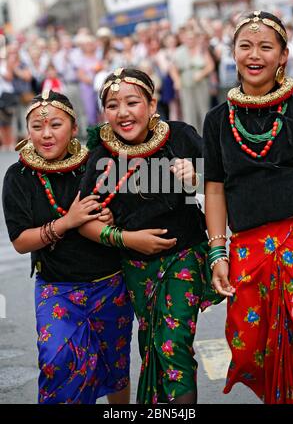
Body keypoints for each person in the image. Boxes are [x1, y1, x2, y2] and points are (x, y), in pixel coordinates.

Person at [78, 67, 223, 404]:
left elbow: (220, 184)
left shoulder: (181, 136)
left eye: (132, 102)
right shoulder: (102, 155)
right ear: (104, 114)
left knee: (173, 346)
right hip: (135, 267)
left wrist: (196, 176)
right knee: (152, 346)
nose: (123, 113)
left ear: (152, 103)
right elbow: (84, 220)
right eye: (113, 106)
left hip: (184, 256)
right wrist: (126, 239)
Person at [2, 90, 133, 404]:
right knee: (57, 361)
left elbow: (128, 214)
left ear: (74, 128)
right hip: (57, 288)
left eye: (56, 125)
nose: (46, 134)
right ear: (27, 130)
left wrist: (113, 215)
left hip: (110, 284)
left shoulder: (99, 165)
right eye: (37, 126)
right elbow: (20, 242)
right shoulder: (19, 175)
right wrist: (68, 221)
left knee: (114, 367)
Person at [203, 10, 293, 404]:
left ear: (283, 56)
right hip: (248, 251)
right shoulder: (216, 120)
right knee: (252, 351)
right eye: (245, 46)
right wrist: (217, 252)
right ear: (233, 54)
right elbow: (214, 188)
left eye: (265, 46)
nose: (254, 54)